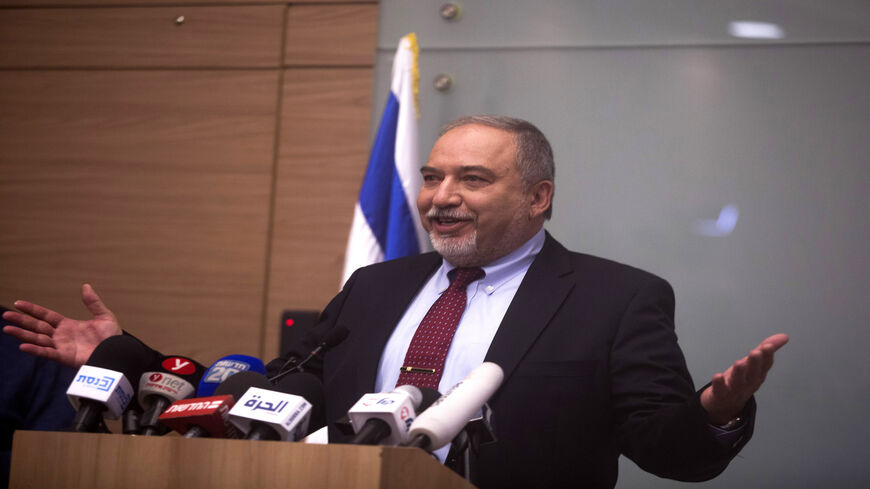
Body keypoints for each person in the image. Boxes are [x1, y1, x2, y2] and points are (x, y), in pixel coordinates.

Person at [2, 115, 788, 489]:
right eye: (433, 176)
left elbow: (668, 452)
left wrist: (714, 408)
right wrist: (129, 358)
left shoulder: (619, 297)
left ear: (539, 196)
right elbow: (278, 398)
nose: (440, 197)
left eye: (471, 180)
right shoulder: (375, 285)